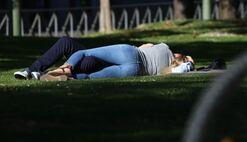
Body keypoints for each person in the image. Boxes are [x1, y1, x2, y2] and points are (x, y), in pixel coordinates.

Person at [14, 36, 194, 81]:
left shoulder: (166, 48)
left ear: (179, 56)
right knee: (89, 75)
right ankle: (44, 74)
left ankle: (59, 68)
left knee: (85, 53)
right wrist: (190, 64)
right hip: (133, 71)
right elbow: (184, 66)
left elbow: (144, 47)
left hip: (129, 53)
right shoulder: (167, 71)